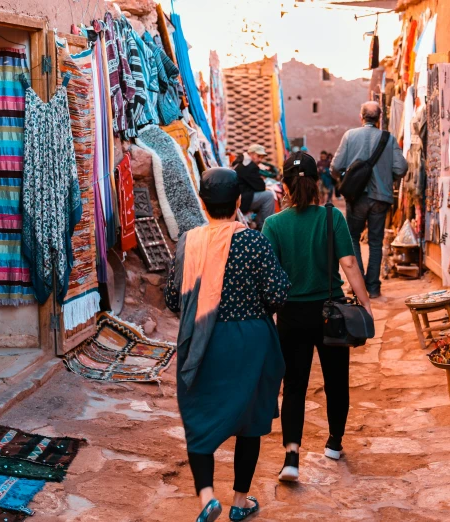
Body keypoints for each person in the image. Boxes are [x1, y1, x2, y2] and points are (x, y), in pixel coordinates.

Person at [165, 168, 290, 522]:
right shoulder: (254, 241)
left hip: (203, 339)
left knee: (198, 413)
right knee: (249, 419)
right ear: (238, 202)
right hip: (250, 341)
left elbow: (174, 300)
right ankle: (239, 500)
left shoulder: (188, 243)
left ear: (203, 204)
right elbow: (279, 294)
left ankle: (207, 497)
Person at [262, 152, 372, 483]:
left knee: (294, 385)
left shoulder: (273, 224)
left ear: (284, 185)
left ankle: (292, 457)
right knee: (336, 381)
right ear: (316, 184)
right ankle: (334, 444)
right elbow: (350, 264)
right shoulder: (331, 218)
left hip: (291, 315)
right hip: (331, 312)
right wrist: (365, 305)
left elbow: (269, 277)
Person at [332, 101, 408, 298]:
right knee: (375, 242)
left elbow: (335, 166)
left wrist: (347, 177)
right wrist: (386, 177)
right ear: (379, 118)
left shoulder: (350, 136)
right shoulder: (388, 139)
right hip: (380, 198)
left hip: (357, 198)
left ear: (361, 116)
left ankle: (359, 285)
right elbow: (401, 168)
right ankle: (373, 287)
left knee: (353, 239)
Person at [233, 144, 276, 229]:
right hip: (243, 199)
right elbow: (260, 186)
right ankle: (268, 227)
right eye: (258, 156)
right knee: (269, 196)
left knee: (264, 197)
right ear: (251, 154)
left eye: (262, 157)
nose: (260, 159)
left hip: (239, 196)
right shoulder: (248, 166)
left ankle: (260, 224)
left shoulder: (240, 162)